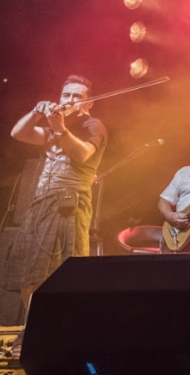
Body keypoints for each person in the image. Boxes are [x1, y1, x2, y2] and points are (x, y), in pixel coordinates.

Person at [7, 75, 107, 356]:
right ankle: (36, 330)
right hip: (40, 204)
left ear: (89, 103)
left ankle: (56, 337)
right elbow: (18, 133)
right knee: (29, 275)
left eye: (77, 96)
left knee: (59, 275)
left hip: (68, 205)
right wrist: (36, 112)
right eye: (66, 95)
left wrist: (60, 127)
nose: (69, 100)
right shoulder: (55, 127)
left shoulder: (92, 125)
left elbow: (83, 154)